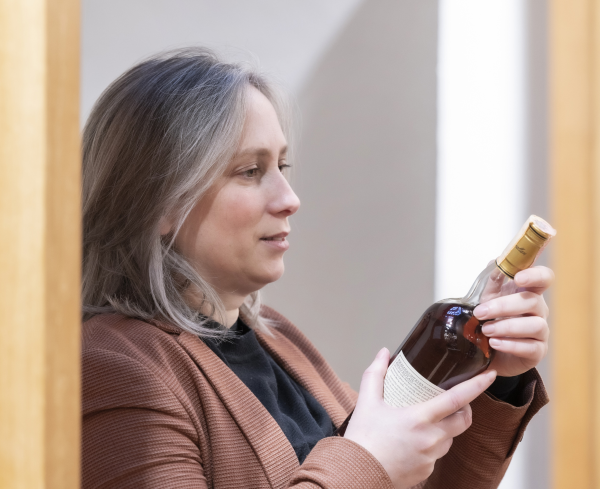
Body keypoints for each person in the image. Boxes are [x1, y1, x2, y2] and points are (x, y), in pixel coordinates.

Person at [82, 48, 552, 489]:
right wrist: (368, 462)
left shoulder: (277, 338)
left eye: (283, 166)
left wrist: (500, 372)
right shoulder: (112, 364)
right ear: (160, 203)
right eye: (250, 171)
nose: (289, 199)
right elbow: (369, 470)